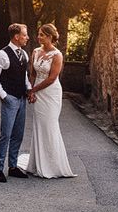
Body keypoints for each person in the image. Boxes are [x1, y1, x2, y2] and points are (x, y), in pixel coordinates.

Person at [18, 24, 76, 178]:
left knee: (50, 125)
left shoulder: (57, 55)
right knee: (39, 125)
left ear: (50, 36)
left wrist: (33, 90)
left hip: (50, 93)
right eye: (39, 34)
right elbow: (32, 73)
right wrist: (30, 89)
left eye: (42, 35)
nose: (38, 37)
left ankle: (53, 165)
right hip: (36, 91)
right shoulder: (36, 51)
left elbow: (52, 78)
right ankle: (38, 162)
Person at [0, 22, 33, 183]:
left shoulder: (24, 54)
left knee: (18, 135)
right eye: (25, 34)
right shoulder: (2, 54)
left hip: (22, 98)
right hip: (10, 99)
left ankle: (13, 167)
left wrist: (28, 89)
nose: (27, 37)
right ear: (16, 36)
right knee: (5, 135)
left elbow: (25, 76)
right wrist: (3, 95)